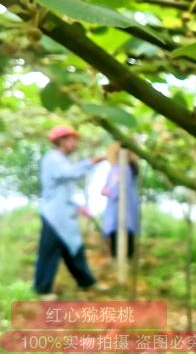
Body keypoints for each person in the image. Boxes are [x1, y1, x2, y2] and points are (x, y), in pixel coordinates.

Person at [34, 125, 105, 297]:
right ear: (62, 141)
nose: (75, 144)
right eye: (73, 140)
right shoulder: (53, 158)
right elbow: (68, 174)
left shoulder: (63, 160)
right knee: (49, 252)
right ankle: (42, 289)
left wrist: (78, 207)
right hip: (54, 216)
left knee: (74, 250)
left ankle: (87, 283)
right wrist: (93, 161)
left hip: (64, 215)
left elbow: (63, 190)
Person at [102, 142, 140, 258]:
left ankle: (123, 271)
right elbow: (108, 186)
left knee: (123, 246)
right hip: (118, 212)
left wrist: (109, 192)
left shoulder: (125, 169)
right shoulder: (117, 169)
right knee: (119, 245)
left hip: (122, 212)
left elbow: (120, 189)